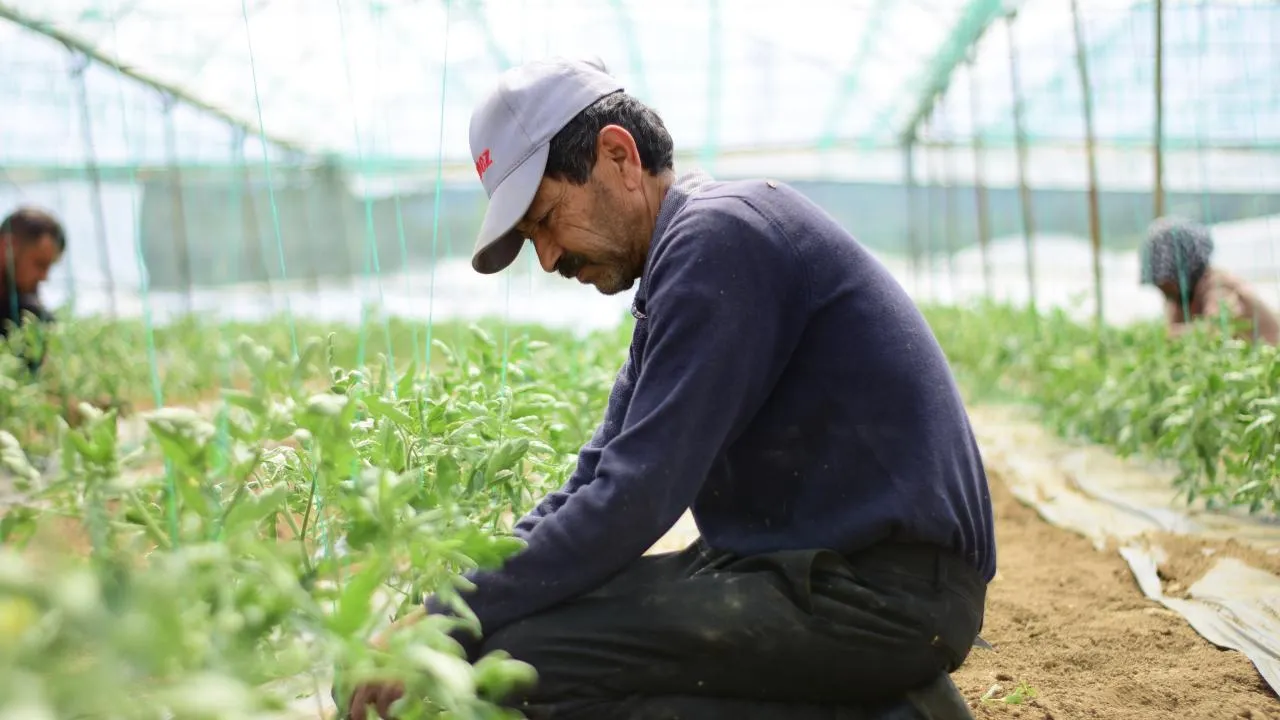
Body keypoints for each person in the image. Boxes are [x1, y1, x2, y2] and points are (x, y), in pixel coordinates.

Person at [341, 57, 995, 720]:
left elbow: (635, 497)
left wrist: (451, 621)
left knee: (519, 662)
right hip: (804, 572)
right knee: (515, 634)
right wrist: (446, 608)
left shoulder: (721, 238)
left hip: (881, 593)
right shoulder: (683, 265)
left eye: (544, 220)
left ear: (618, 156)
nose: (546, 258)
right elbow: (597, 476)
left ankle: (886, 708)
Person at [1140, 216, 1280, 346]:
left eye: (1165, 280)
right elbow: (1173, 330)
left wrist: (1171, 334)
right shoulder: (1182, 296)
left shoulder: (1219, 286)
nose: (1161, 287)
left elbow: (1216, 331)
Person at [0, 206, 65, 374]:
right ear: (7, 245)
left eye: (49, 267)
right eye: (39, 264)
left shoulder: (29, 315)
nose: (44, 277)